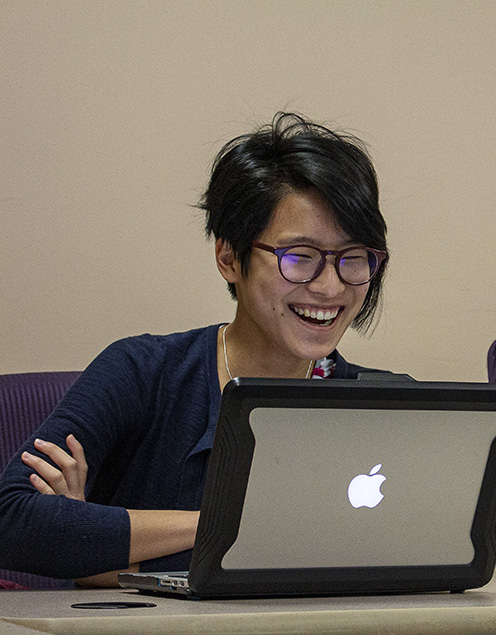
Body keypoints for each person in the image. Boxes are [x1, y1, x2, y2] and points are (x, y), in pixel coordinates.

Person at [0, 112, 390, 586]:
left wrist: (103, 553)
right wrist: (240, 526)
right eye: (300, 257)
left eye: (353, 258)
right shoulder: (142, 372)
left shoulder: (385, 405)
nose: (330, 287)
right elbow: (14, 519)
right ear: (229, 258)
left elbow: (416, 562)